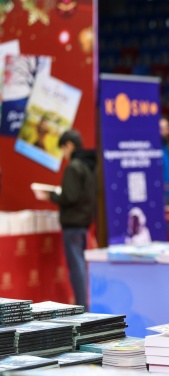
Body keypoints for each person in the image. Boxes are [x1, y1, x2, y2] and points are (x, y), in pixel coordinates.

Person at [35, 130, 96, 309]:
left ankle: (81, 306)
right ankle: (84, 304)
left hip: (73, 223)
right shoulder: (89, 165)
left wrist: (51, 195)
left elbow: (69, 196)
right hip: (84, 222)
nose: (63, 155)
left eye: (63, 149)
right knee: (81, 266)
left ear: (69, 145)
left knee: (76, 267)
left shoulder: (74, 166)